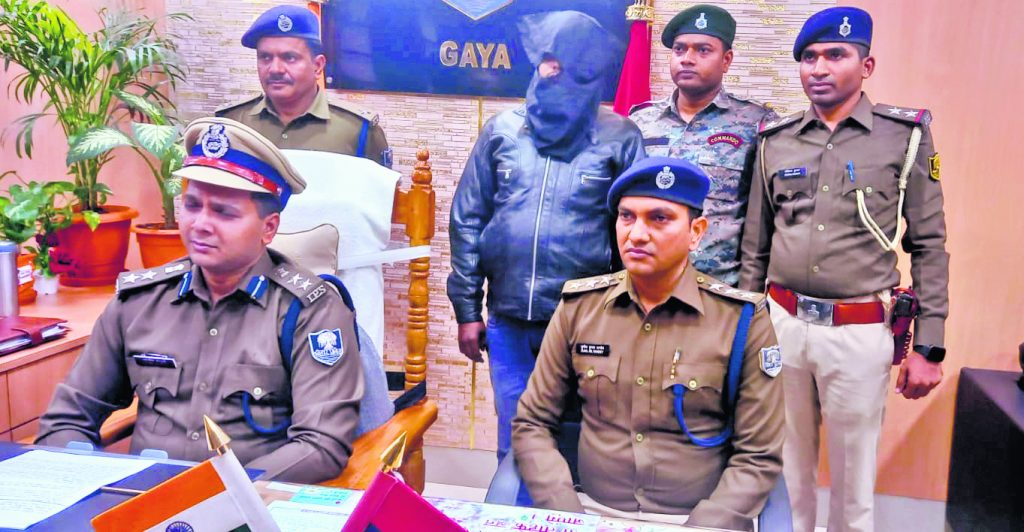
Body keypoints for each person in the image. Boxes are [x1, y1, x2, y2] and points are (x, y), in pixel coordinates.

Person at [36, 118, 364, 485]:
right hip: (140, 503)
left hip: (254, 502)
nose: (200, 224)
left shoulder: (309, 311)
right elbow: (66, 419)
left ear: (268, 228)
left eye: (224, 212)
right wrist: (89, 483)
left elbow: (320, 446)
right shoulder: (139, 303)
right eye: (192, 206)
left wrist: (212, 494)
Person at [739, 7, 948, 531]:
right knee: (783, 472)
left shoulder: (904, 136)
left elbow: (929, 244)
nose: (819, 68)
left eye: (836, 55)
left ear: (866, 65)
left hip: (858, 330)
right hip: (781, 325)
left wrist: (929, 345)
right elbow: (754, 246)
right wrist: (745, 328)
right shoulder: (775, 138)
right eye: (809, 57)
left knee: (854, 484)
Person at [513, 157, 783, 531]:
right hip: (591, 513)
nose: (637, 234)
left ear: (696, 232)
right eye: (627, 217)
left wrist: (703, 526)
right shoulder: (580, 308)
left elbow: (758, 456)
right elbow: (532, 422)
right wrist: (566, 513)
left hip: (697, 521)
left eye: (659, 219)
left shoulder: (741, 321)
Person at [447, 10, 644, 466]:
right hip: (508, 321)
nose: (552, 71)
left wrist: (628, 319)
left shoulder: (619, 137)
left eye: (565, 63)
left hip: (585, 324)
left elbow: (634, 237)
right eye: (546, 60)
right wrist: (466, 309)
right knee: (515, 442)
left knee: (576, 448)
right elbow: (468, 220)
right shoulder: (502, 131)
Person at [629, 4, 775, 287]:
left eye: (703, 50)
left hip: (716, 288)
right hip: (646, 284)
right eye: (679, 49)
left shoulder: (755, 123)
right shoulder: (640, 121)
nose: (687, 59)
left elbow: (763, 217)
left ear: (726, 60)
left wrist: (750, 293)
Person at [217, 5, 391, 167]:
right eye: (265, 57)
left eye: (289, 58)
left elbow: (379, 190)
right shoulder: (231, 123)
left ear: (318, 66)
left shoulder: (358, 131)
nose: (275, 69)